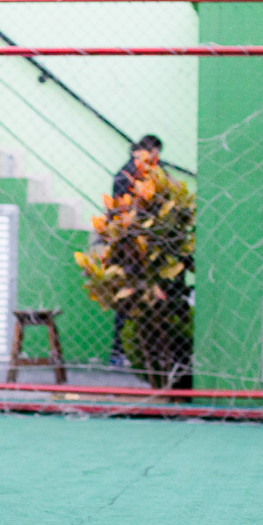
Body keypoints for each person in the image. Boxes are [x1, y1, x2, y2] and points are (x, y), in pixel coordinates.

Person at [109, 134, 162, 367]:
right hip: (134, 245)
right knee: (131, 298)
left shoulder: (138, 174)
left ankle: (123, 351)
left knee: (128, 299)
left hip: (132, 245)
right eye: (153, 154)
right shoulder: (130, 176)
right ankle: (123, 351)